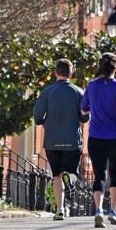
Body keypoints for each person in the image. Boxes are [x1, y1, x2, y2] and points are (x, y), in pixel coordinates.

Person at [33, 58, 89, 221]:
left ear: (55, 73)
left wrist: (44, 122)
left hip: (52, 141)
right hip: (72, 141)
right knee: (72, 173)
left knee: (56, 175)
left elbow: (37, 117)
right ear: (71, 73)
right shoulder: (79, 92)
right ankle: (70, 178)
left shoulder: (47, 92)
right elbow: (85, 118)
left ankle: (59, 209)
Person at [81, 53, 116, 228]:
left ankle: (98, 210)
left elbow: (84, 110)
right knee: (115, 172)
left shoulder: (91, 86)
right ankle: (113, 210)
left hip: (96, 136)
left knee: (99, 174)